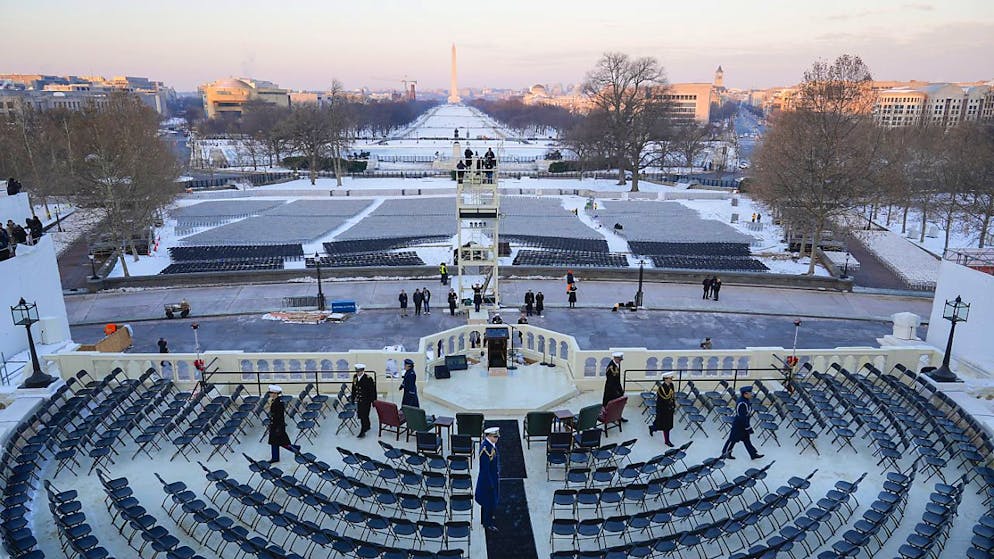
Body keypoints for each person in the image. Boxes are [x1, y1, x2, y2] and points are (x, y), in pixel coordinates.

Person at [721, 386, 764, 460]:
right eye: (750, 393)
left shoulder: (745, 400)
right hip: (739, 425)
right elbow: (742, 417)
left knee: (746, 440)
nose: (752, 394)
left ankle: (753, 454)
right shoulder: (742, 403)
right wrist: (748, 427)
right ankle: (725, 453)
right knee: (732, 440)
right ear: (745, 394)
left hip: (743, 424)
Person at [475, 426, 501, 531]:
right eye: (495, 436)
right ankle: (487, 523)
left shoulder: (491, 445)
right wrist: (490, 483)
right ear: (489, 436)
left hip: (493, 476)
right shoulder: (485, 449)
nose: (497, 439)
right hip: (488, 480)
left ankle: (485, 518)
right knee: (489, 501)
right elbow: (485, 469)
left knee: (489, 501)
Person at [266, 385, 298, 463]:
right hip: (276, 425)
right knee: (275, 442)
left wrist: (277, 427)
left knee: (282, 442)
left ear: (275, 393)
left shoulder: (277, 403)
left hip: (277, 426)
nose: (270, 394)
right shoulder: (277, 401)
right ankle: (275, 457)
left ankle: (295, 449)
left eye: (271, 393)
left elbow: (277, 416)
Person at [649, 374, 677, 447]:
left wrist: (673, 405)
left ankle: (652, 428)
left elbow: (672, 396)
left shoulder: (671, 385)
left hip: (670, 409)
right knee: (665, 425)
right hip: (663, 410)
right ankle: (667, 441)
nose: (671, 379)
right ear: (665, 379)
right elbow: (662, 400)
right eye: (670, 378)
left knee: (666, 425)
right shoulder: (661, 389)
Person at [352, 364, 376, 438]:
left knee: (363, 415)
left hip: (366, 400)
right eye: (356, 371)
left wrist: (373, 401)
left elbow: (372, 391)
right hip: (359, 400)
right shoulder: (355, 377)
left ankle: (362, 431)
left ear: (362, 371)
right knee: (363, 415)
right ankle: (367, 426)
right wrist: (353, 398)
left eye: (358, 371)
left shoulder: (368, 379)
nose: (357, 373)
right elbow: (354, 388)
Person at [602, 352, 627, 421]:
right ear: (615, 358)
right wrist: (616, 392)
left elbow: (617, 379)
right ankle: (607, 418)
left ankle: (618, 416)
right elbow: (611, 381)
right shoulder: (611, 367)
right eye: (619, 360)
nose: (620, 361)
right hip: (610, 389)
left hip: (616, 388)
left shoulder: (617, 364)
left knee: (618, 405)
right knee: (608, 405)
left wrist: (620, 390)